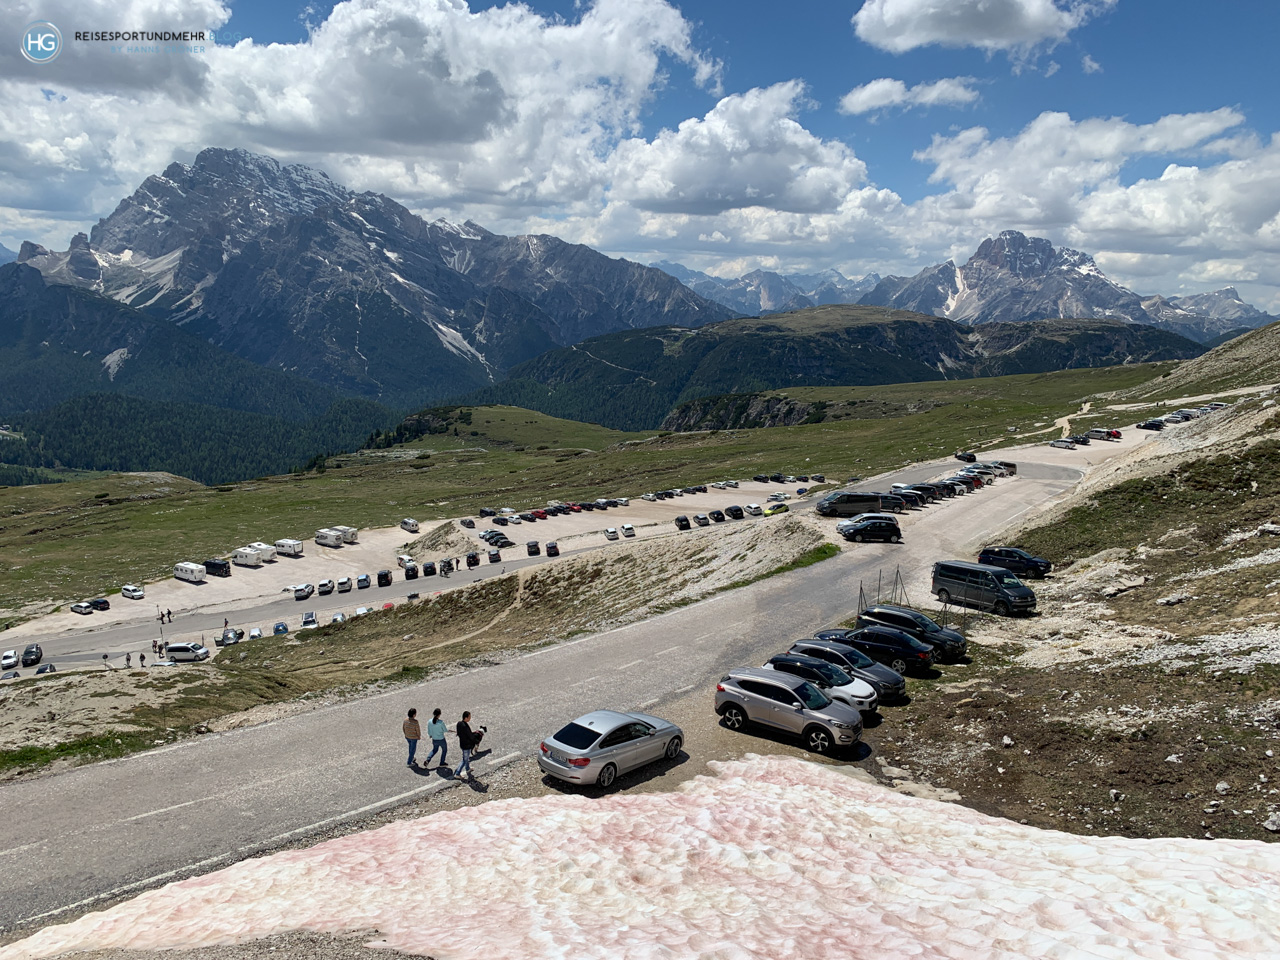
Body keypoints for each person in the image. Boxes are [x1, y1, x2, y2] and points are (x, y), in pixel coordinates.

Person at [454, 711, 477, 779]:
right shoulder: (465, 727)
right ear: (466, 718)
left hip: (462, 744)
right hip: (466, 745)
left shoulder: (459, 724)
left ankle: (467, 769)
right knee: (465, 760)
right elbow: (470, 736)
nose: (470, 718)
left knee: (466, 758)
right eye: (469, 717)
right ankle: (457, 773)